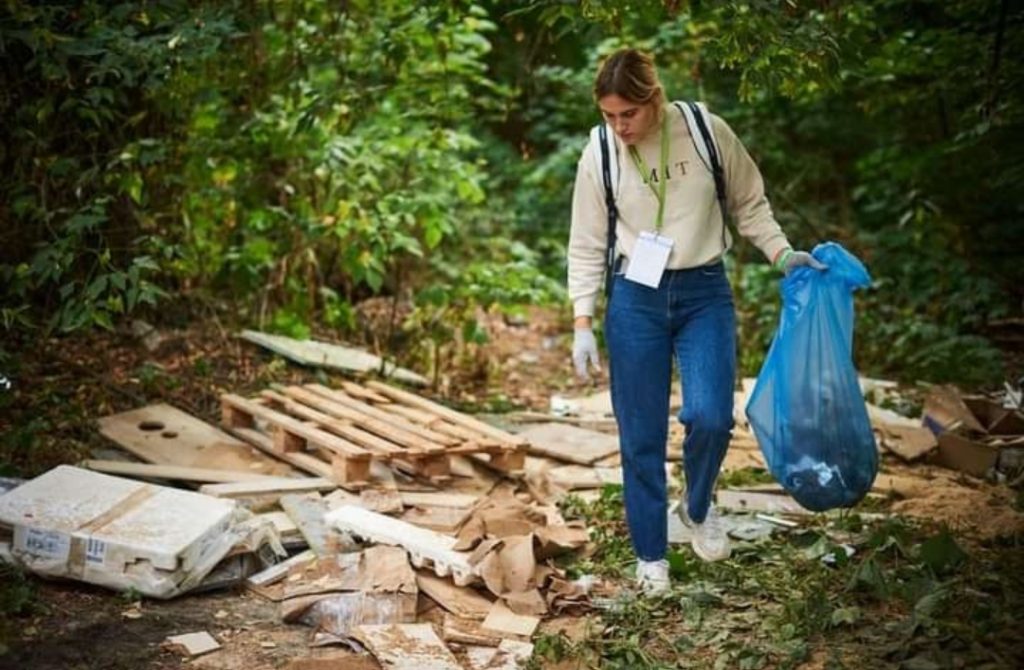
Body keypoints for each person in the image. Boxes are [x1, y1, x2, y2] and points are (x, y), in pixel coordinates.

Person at [567, 48, 826, 595]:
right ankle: (651, 557)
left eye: (627, 115)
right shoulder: (600, 151)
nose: (618, 127)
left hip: (703, 290)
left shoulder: (706, 131)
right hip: (634, 296)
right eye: (609, 116)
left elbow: (750, 203)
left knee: (711, 416)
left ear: (653, 99)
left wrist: (782, 255)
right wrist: (582, 320)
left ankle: (699, 503)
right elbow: (586, 241)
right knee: (640, 434)